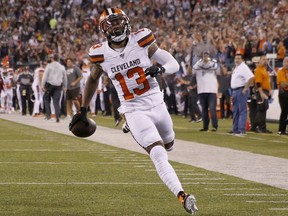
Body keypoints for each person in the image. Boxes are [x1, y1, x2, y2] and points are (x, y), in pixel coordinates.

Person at [69, 8, 198, 215]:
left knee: (170, 144)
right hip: (133, 108)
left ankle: (132, 124)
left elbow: (172, 62)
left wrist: (161, 69)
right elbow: (93, 78)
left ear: (127, 22)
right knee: (158, 153)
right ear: (104, 30)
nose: (118, 27)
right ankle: (182, 195)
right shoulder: (100, 53)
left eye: (119, 22)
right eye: (112, 25)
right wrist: (83, 109)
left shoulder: (141, 40)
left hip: (157, 103)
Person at [193, 51, 220, 131]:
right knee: (204, 109)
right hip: (202, 90)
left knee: (212, 108)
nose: (205, 57)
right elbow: (193, 70)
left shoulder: (213, 64)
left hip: (211, 90)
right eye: (204, 55)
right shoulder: (198, 64)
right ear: (202, 56)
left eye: (207, 55)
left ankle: (215, 126)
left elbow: (218, 70)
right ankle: (205, 126)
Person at [230, 53, 254, 135]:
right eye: (236, 58)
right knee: (235, 111)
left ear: (242, 60)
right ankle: (235, 129)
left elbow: (251, 77)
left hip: (241, 90)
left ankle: (241, 130)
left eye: (239, 58)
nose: (237, 60)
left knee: (242, 110)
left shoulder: (243, 67)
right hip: (235, 91)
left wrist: (246, 88)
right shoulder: (237, 67)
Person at [41, 54, 67, 123]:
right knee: (56, 102)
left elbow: (45, 76)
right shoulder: (62, 67)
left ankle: (48, 115)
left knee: (46, 99)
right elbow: (65, 77)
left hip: (50, 85)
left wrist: (42, 85)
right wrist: (65, 86)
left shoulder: (49, 66)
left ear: (52, 59)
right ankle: (57, 117)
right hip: (58, 85)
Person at [253, 55, 272, 133]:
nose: (265, 61)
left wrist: (269, 90)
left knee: (264, 108)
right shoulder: (258, 70)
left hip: (265, 91)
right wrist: (261, 93)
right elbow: (258, 83)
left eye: (266, 59)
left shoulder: (264, 70)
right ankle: (262, 128)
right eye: (263, 59)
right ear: (260, 61)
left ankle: (254, 126)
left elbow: (267, 81)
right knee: (262, 109)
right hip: (262, 91)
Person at [276, 56, 288, 135]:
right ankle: (281, 130)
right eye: (285, 61)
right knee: (284, 111)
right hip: (284, 93)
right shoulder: (281, 72)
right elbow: (283, 84)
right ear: (283, 63)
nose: (286, 63)